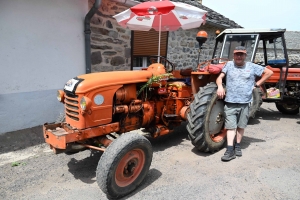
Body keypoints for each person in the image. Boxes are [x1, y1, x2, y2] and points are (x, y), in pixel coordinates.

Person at [216, 46, 273, 162]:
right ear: (234, 55)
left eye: (241, 54)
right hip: (230, 102)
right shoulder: (229, 65)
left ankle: (237, 145)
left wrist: (257, 84)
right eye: (237, 54)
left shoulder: (251, 66)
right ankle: (230, 149)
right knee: (231, 127)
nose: (239, 56)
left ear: (245, 56)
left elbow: (269, 72)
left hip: (245, 102)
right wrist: (220, 86)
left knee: (241, 126)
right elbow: (219, 78)